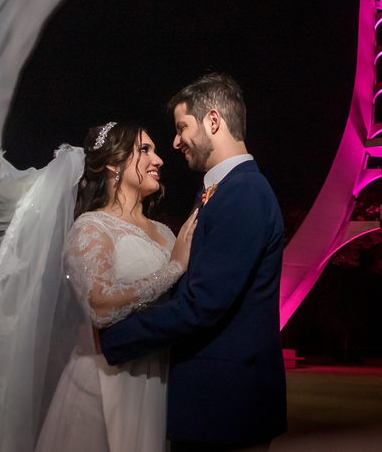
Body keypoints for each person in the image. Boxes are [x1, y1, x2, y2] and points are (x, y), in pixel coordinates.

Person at [100, 74, 287, 452]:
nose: (175, 141)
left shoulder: (244, 193)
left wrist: (113, 338)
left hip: (226, 407)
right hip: (210, 405)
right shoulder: (217, 191)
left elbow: (202, 304)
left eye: (182, 127)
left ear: (213, 121)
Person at [35, 120, 198, 452]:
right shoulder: (92, 226)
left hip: (156, 380)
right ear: (113, 163)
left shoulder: (167, 233)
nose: (159, 160)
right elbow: (99, 305)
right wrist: (175, 268)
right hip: (102, 384)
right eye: (144, 150)